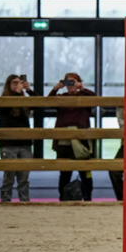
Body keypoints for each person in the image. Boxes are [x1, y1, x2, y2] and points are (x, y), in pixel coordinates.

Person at [49, 72, 96, 201]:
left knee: (85, 171)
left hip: (81, 137)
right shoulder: (61, 97)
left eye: (73, 82)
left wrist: (82, 89)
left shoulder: (85, 97)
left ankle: (88, 197)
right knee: (64, 172)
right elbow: (48, 102)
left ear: (78, 82)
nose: (70, 86)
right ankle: (63, 197)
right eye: (67, 83)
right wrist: (56, 88)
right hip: (64, 139)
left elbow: (96, 99)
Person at [0, 75, 34, 202]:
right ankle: (6, 200)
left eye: (20, 83)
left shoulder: (25, 101)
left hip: (25, 143)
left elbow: (39, 104)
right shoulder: (2, 101)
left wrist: (29, 90)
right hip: (8, 143)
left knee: (24, 177)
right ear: (8, 85)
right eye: (14, 83)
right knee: (9, 176)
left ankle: (25, 201)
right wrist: (17, 94)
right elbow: (4, 111)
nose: (17, 85)